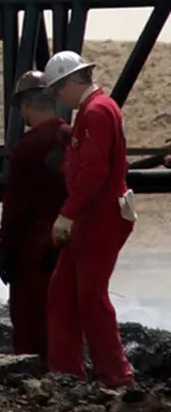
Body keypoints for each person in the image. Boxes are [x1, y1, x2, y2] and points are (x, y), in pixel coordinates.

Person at [43, 50, 136, 388]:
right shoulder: (96, 110)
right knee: (62, 293)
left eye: (56, 89)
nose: (56, 97)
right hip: (91, 216)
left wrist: (67, 215)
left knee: (91, 297)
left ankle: (116, 376)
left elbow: (94, 171)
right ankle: (66, 375)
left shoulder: (96, 112)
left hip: (100, 218)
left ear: (70, 82)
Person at [0, 70, 70, 369]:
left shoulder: (27, 149)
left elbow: (14, 208)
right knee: (64, 314)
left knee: (29, 318)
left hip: (32, 249)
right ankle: (66, 374)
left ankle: (34, 379)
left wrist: (5, 252)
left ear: (28, 103)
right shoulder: (70, 137)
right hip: (67, 243)